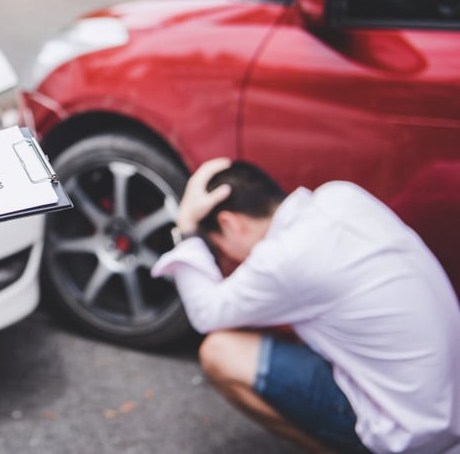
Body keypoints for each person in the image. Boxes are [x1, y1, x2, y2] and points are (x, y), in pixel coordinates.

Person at [152, 158, 460, 453]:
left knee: (220, 352)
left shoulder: (283, 259)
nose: (229, 258)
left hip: (412, 432)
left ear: (229, 223)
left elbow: (206, 314)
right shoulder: (342, 195)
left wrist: (187, 229)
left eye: (219, 247)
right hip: (448, 407)